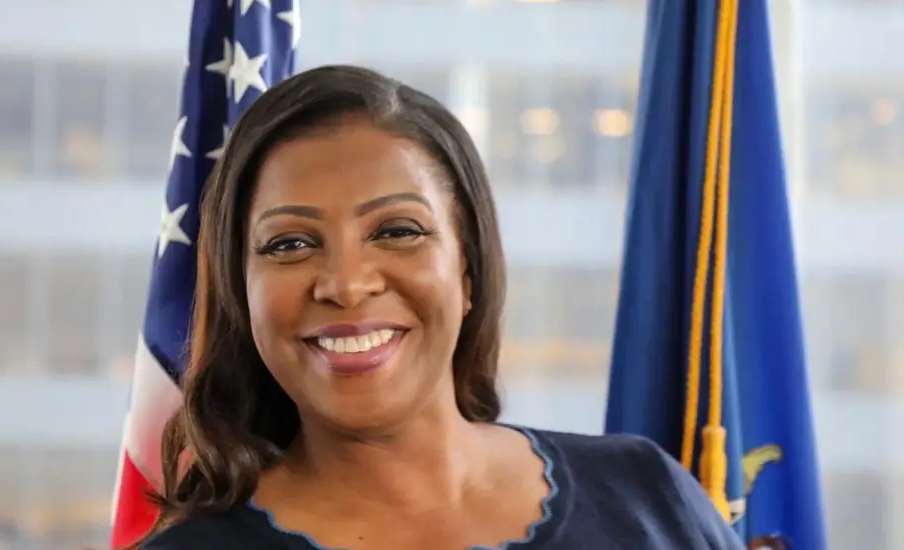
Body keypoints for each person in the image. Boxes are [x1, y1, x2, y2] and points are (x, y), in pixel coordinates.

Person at [136, 65, 744, 550]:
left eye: (397, 230)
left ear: (469, 270)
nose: (345, 285)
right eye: (289, 244)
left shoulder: (645, 495)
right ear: (243, 294)